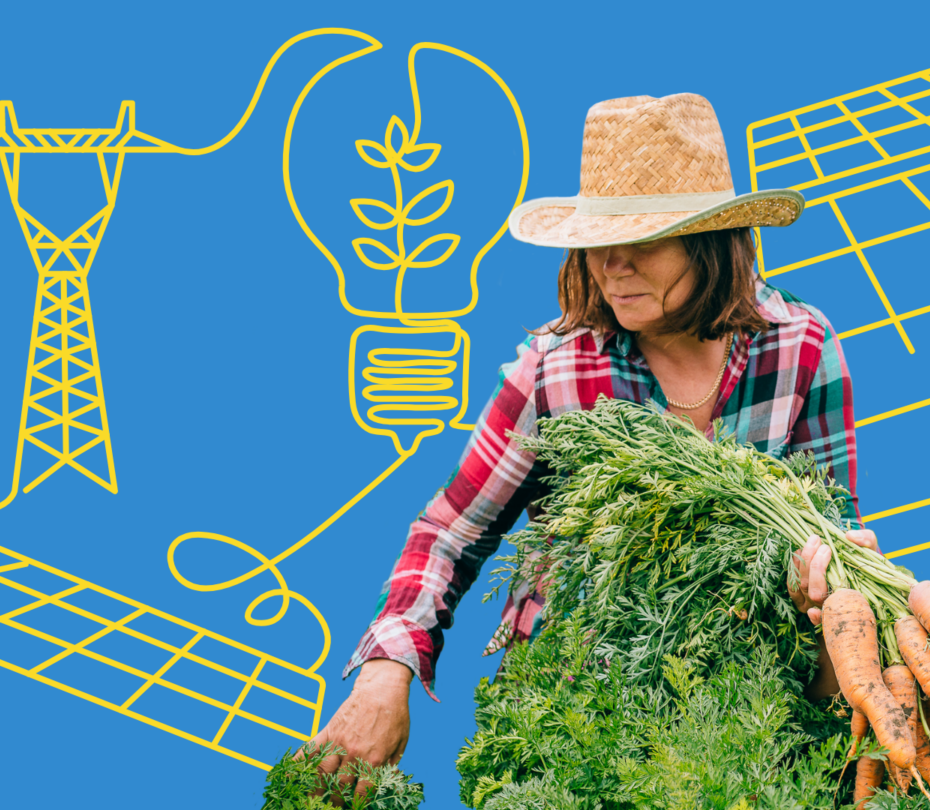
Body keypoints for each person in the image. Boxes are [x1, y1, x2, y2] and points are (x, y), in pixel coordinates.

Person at [310, 93, 890, 782]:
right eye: (596, 242)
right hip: (573, 715)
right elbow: (449, 534)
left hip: (747, 719)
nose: (613, 265)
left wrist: (835, 574)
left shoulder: (802, 347)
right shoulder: (555, 369)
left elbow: (831, 521)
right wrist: (386, 671)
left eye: (642, 239)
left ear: (709, 240)